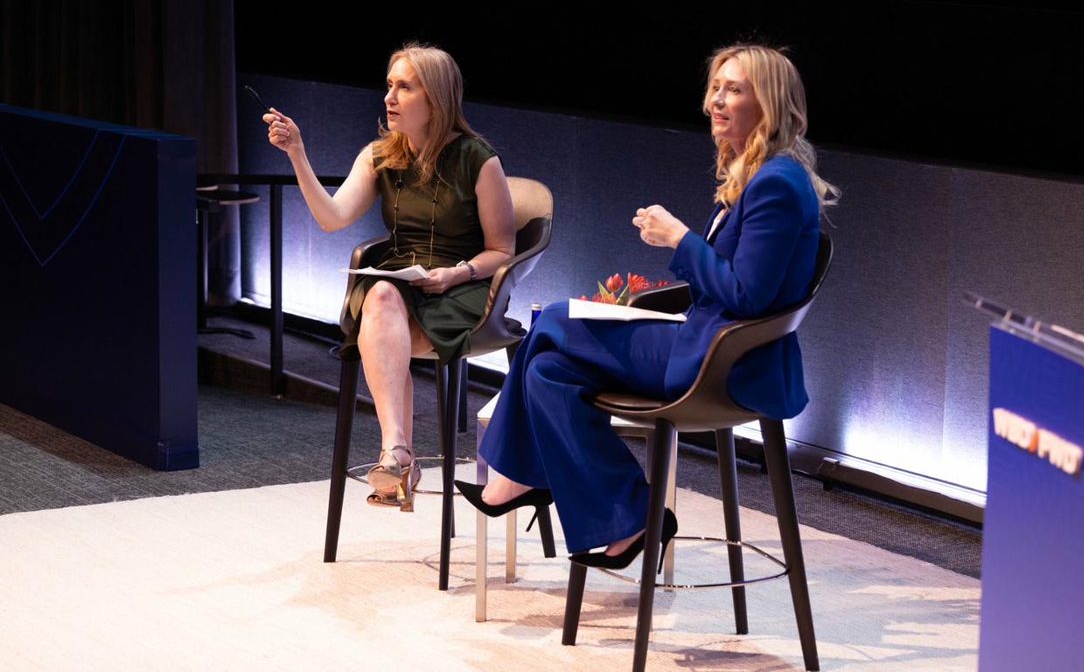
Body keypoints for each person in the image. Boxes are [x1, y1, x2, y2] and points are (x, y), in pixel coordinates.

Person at [456, 44, 838, 569]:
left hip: (724, 362)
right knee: (547, 371)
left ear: (769, 104)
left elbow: (749, 296)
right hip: (706, 340)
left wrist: (680, 238)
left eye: (735, 90)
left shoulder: (776, 181)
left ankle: (519, 475)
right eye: (716, 88)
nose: (716, 102)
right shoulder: (760, 174)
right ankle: (627, 518)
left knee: (557, 319)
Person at [264, 43, 514, 511]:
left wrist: (455, 274)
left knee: (382, 301)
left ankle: (399, 460)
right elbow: (332, 217)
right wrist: (297, 154)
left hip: (462, 287)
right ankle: (397, 450)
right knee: (379, 294)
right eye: (388, 86)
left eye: (404, 87)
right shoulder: (381, 155)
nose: (389, 97)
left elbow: (502, 250)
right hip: (401, 282)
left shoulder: (479, 160)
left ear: (435, 99)